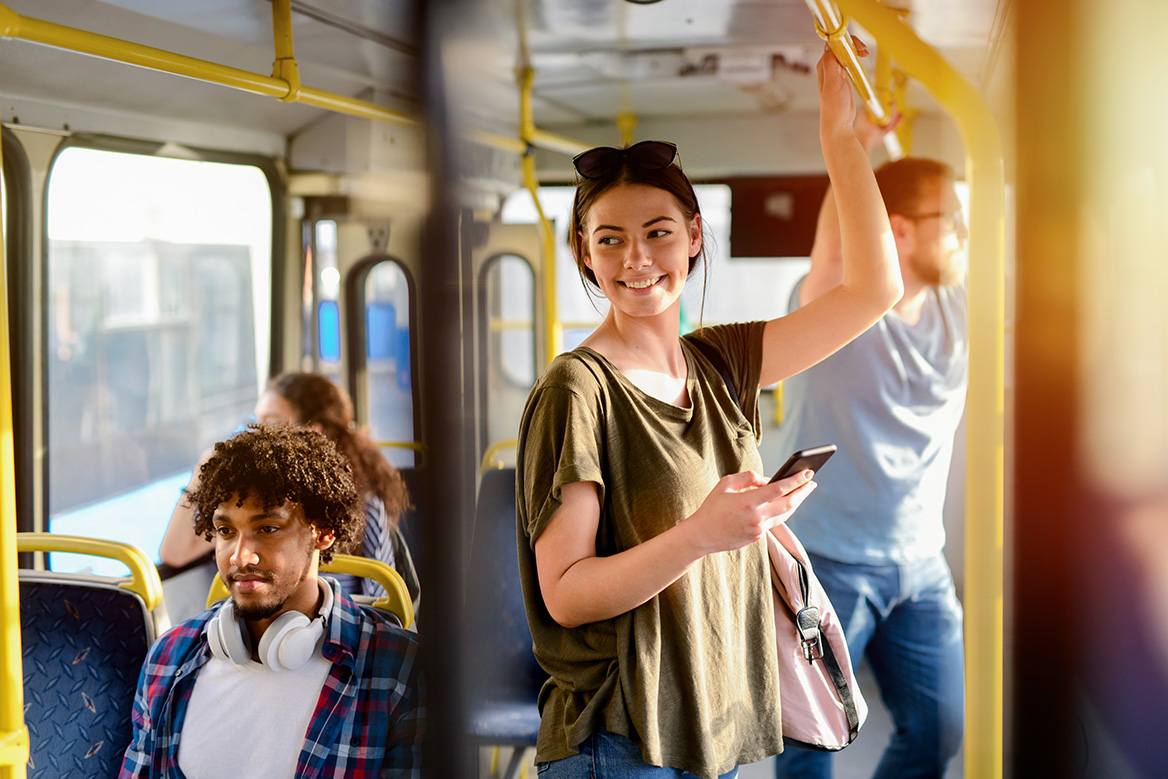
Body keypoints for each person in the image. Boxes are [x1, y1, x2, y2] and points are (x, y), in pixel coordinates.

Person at [515, 41, 903, 779]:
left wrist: (840, 138)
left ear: (694, 236)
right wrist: (703, 532)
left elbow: (872, 292)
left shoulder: (719, 360)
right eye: (611, 240)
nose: (637, 259)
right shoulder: (578, 389)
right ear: (586, 255)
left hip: (710, 723)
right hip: (620, 739)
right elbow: (565, 594)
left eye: (658, 232)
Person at [772, 129, 970, 777]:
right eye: (954, 222)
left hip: (920, 563)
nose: (966, 236)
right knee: (813, 743)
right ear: (901, 231)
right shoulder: (840, 308)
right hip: (828, 562)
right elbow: (835, 250)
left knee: (938, 733)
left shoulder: (958, 308)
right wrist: (847, 143)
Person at [120, 424, 424, 778]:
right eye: (226, 531)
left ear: (322, 532)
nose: (240, 556)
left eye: (267, 529)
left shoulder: (400, 673)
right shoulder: (167, 659)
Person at [160, 372, 418, 605]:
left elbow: (381, 603)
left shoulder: (365, 505)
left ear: (311, 432)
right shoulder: (244, 503)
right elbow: (174, 552)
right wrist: (206, 468)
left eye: (269, 422)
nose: (255, 433)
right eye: (254, 421)